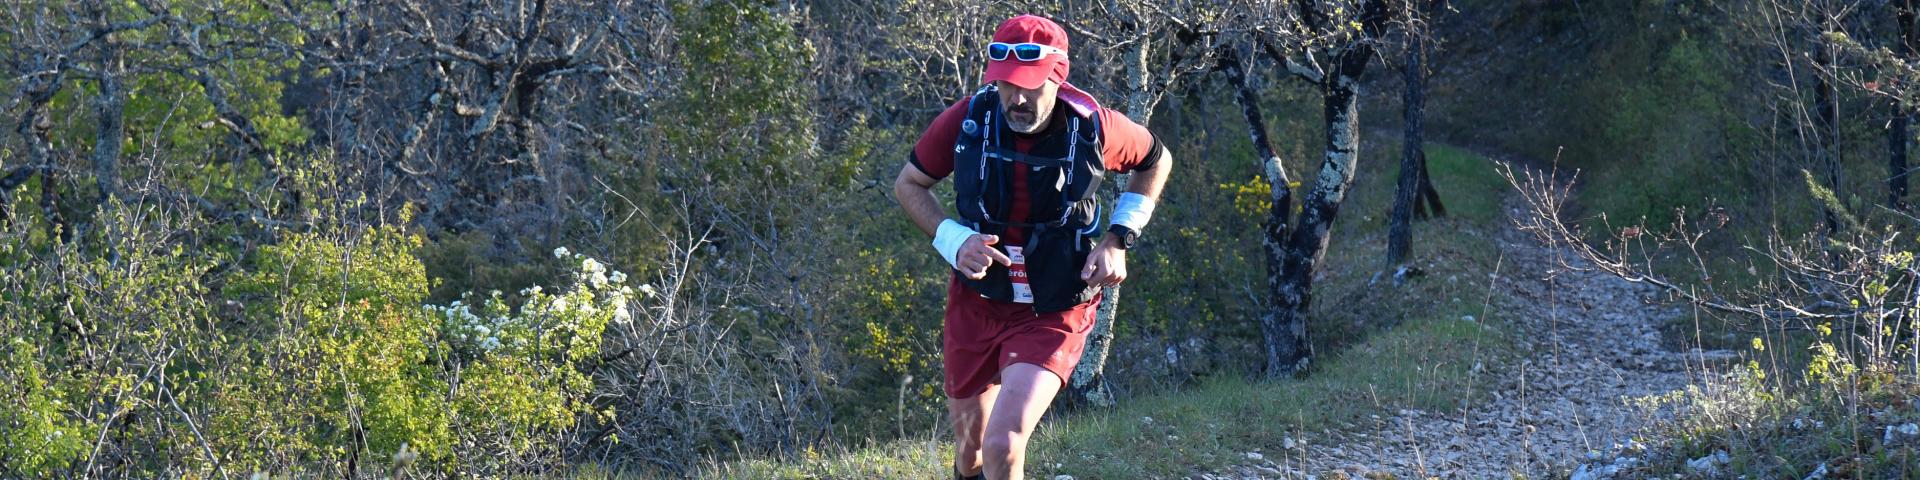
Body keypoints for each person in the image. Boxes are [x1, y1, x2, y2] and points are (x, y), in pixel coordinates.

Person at [892, 14, 1173, 480]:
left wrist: (1118, 238)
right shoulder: (970, 119)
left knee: (1004, 443)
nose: (1016, 99)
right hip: (979, 300)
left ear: (1057, 78)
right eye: (1005, 85)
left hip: (1056, 303)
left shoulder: (1093, 125)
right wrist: (955, 240)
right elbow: (909, 184)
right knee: (971, 454)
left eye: (1029, 86)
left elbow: (1155, 160)